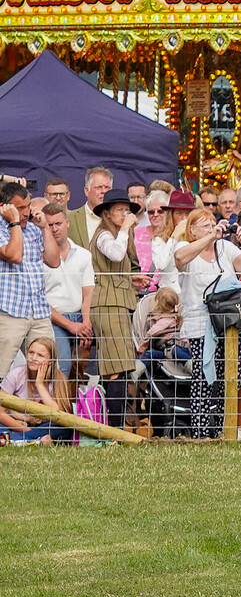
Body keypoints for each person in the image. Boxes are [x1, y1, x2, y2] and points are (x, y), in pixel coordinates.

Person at [173, 206, 241, 441]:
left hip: (231, 322)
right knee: (202, 379)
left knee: (229, 377)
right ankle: (201, 435)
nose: (212, 229)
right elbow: (179, 259)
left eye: (213, 224)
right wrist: (212, 236)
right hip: (200, 324)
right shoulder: (183, 247)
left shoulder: (225, 247)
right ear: (193, 230)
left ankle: (224, 432)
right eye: (206, 225)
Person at [86, 194, 140, 427]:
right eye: (120, 211)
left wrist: (131, 278)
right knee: (116, 367)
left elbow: (117, 264)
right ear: (106, 213)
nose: (125, 215)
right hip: (108, 305)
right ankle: (115, 428)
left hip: (117, 303)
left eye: (127, 211)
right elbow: (115, 253)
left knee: (117, 366)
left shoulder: (117, 235)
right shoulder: (104, 235)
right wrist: (127, 228)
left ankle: (113, 426)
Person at [0, 180, 62, 378]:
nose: (26, 212)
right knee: (1, 371)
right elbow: (14, 255)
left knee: (49, 373)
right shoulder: (3, 229)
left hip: (39, 311)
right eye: (20, 208)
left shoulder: (34, 229)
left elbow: (54, 261)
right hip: (9, 312)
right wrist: (14, 223)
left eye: (28, 206)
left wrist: (45, 228)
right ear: (5, 207)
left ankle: (45, 408)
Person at [40, 205, 94, 380]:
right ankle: (59, 407)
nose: (54, 229)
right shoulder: (38, 257)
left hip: (79, 315)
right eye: (49, 225)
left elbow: (88, 293)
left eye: (58, 223)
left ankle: (89, 404)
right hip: (52, 319)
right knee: (63, 365)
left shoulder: (84, 255)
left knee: (96, 361)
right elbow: (40, 301)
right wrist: (71, 326)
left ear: (67, 223)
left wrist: (86, 323)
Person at [3, 336, 73, 444]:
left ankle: (12, 439)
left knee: (64, 427)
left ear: (50, 361)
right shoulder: (16, 375)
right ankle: (35, 440)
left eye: (40, 355)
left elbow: (59, 416)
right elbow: (1, 412)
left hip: (44, 425)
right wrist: (23, 429)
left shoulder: (59, 379)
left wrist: (39, 384)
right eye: (31, 352)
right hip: (17, 423)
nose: (34, 358)